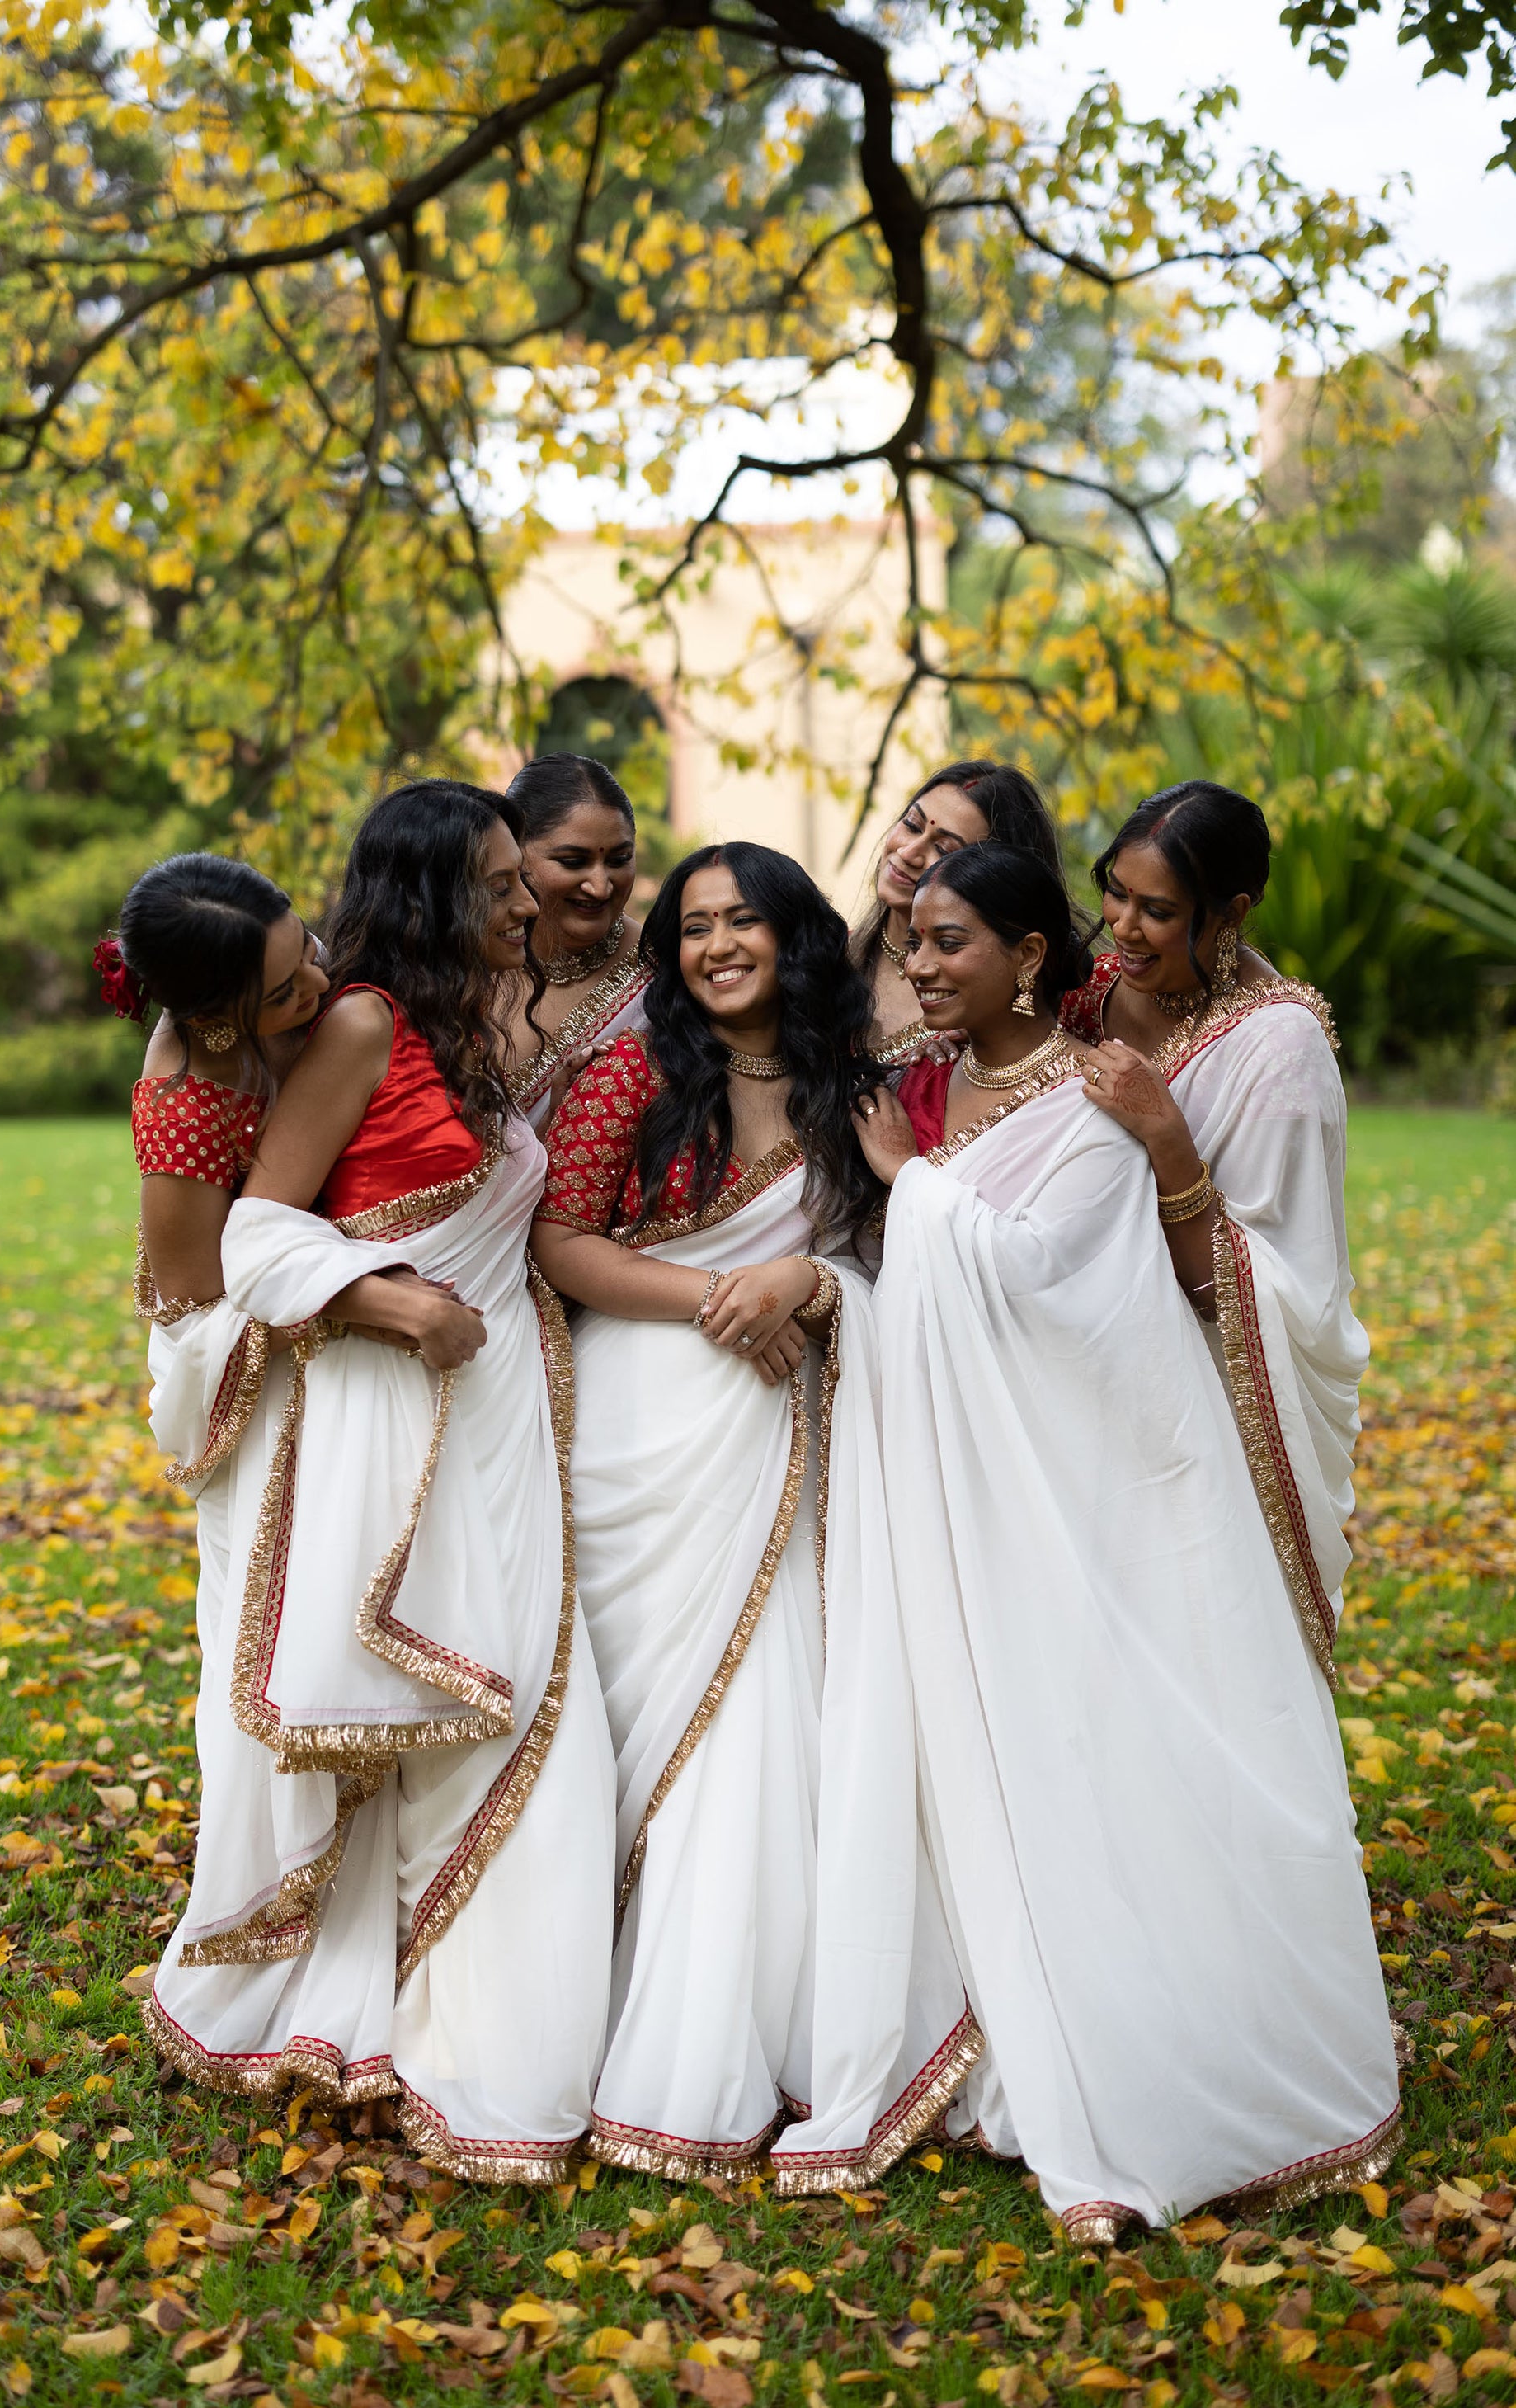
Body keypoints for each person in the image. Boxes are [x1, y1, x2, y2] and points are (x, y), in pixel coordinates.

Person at [855, 841, 1400, 2240]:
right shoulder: (949, 1082)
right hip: (958, 1487)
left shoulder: (1095, 1099)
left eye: (949, 938)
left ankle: (1162, 2048)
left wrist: (912, 1191)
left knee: (1112, 1741)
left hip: (1086, 1485)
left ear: (1027, 958)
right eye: (908, 937)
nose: (918, 962)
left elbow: (1066, 1289)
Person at [145, 782, 614, 2179]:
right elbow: (249, 1250)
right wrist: (399, 1304)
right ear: (425, 895)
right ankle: (379, 2012)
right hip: (398, 1409)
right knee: (451, 1714)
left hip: (505, 1412)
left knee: (524, 1702)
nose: (526, 899)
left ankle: (480, 2009)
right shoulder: (359, 1027)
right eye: (497, 882)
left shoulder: (474, 1018)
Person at [531, 843, 976, 2184]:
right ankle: (587, 2019)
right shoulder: (634, 1070)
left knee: (767, 1723)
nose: (716, 944)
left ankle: (757, 2022)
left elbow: (887, 1250)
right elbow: (561, 1239)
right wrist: (723, 1299)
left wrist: (806, 1283)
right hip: (647, 1428)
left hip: (792, 1431)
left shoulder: (858, 1085)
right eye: (693, 925)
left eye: (743, 920)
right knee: (637, 1729)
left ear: (794, 932)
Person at [1062, 780, 1368, 1688]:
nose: (1119, 926)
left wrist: (1165, 1138)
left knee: (1190, 1659)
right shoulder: (1091, 989)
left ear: (1232, 910)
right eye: (1113, 891)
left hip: (1196, 1407)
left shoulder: (1278, 1054)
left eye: (1157, 910)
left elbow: (1261, 1299)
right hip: (1070, 1372)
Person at [850, 759, 1065, 1067]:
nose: (908, 852)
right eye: (912, 825)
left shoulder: (1004, 1014)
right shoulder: (822, 957)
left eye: (945, 850)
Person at [501, 752, 650, 1132]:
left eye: (619, 859)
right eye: (572, 861)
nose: (600, 886)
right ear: (513, 855)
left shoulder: (662, 967)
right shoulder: (459, 964)